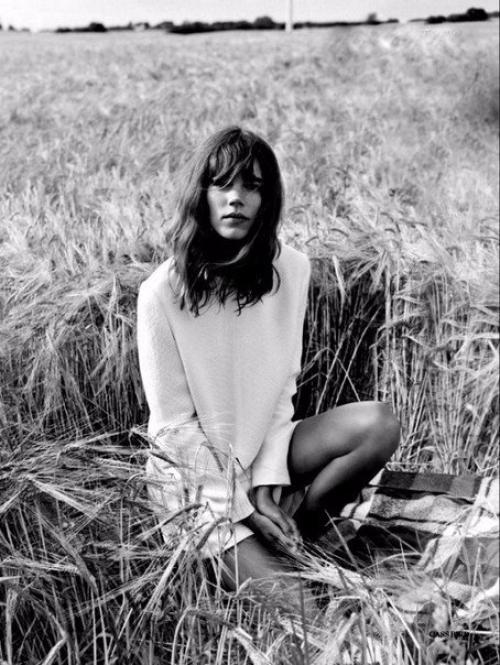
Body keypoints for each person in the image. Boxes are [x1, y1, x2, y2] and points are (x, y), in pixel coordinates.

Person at [137, 126, 400, 596]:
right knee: (304, 613)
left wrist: (266, 482)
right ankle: (267, 544)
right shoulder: (160, 293)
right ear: (200, 195)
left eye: (252, 186)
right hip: (198, 488)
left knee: (378, 423)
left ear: (267, 198)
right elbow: (174, 431)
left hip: (263, 452)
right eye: (221, 184)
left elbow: (283, 386)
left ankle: (303, 535)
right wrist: (244, 508)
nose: (236, 198)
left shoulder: (291, 270)